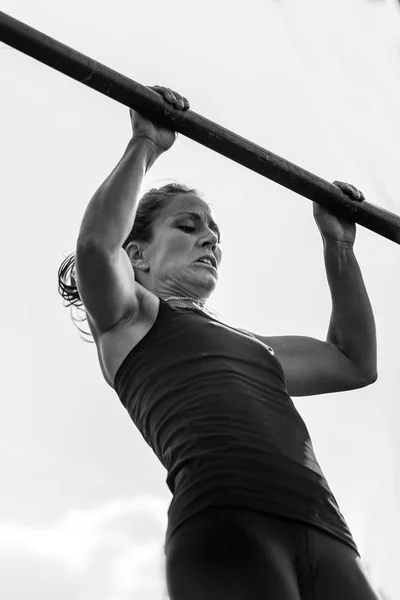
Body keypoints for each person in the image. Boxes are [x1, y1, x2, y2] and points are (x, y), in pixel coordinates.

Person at [58, 86, 382, 600]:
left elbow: (353, 361)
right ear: (137, 255)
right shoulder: (132, 319)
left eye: (214, 232)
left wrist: (337, 246)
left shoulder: (254, 346)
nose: (210, 238)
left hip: (328, 535)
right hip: (227, 522)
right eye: (188, 226)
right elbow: (98, 246)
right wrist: (146, 142)